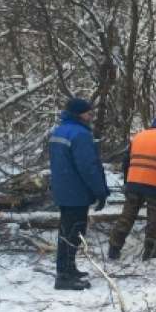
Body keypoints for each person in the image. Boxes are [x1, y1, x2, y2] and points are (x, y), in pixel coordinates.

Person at [48, 98, 110, 291]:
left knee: (66, 231)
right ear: (78, 114)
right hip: (76, 192)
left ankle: (68, 268)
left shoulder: (58, 131)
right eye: (87, 112)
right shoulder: (80, 134)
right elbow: (88, 167)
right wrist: (100, 192)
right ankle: (64, 276)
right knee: (73, 232)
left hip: (63, 189)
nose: (90, 115)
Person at [108, 112, 156, 261]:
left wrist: (127, 181)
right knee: (155, 221)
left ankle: (113, 249)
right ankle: (150, 253)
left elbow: (126, 161)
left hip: (134, 183)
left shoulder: (139, 136)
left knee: (126, 217)